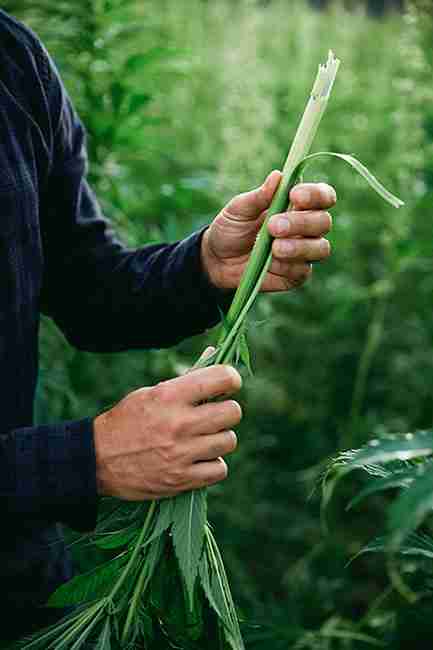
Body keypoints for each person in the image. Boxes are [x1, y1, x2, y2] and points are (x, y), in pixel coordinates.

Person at [0, 8, 335, 642]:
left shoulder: (14, 61)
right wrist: (83, 460)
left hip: (25, 587)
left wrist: (205, 265)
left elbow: (85, 287)